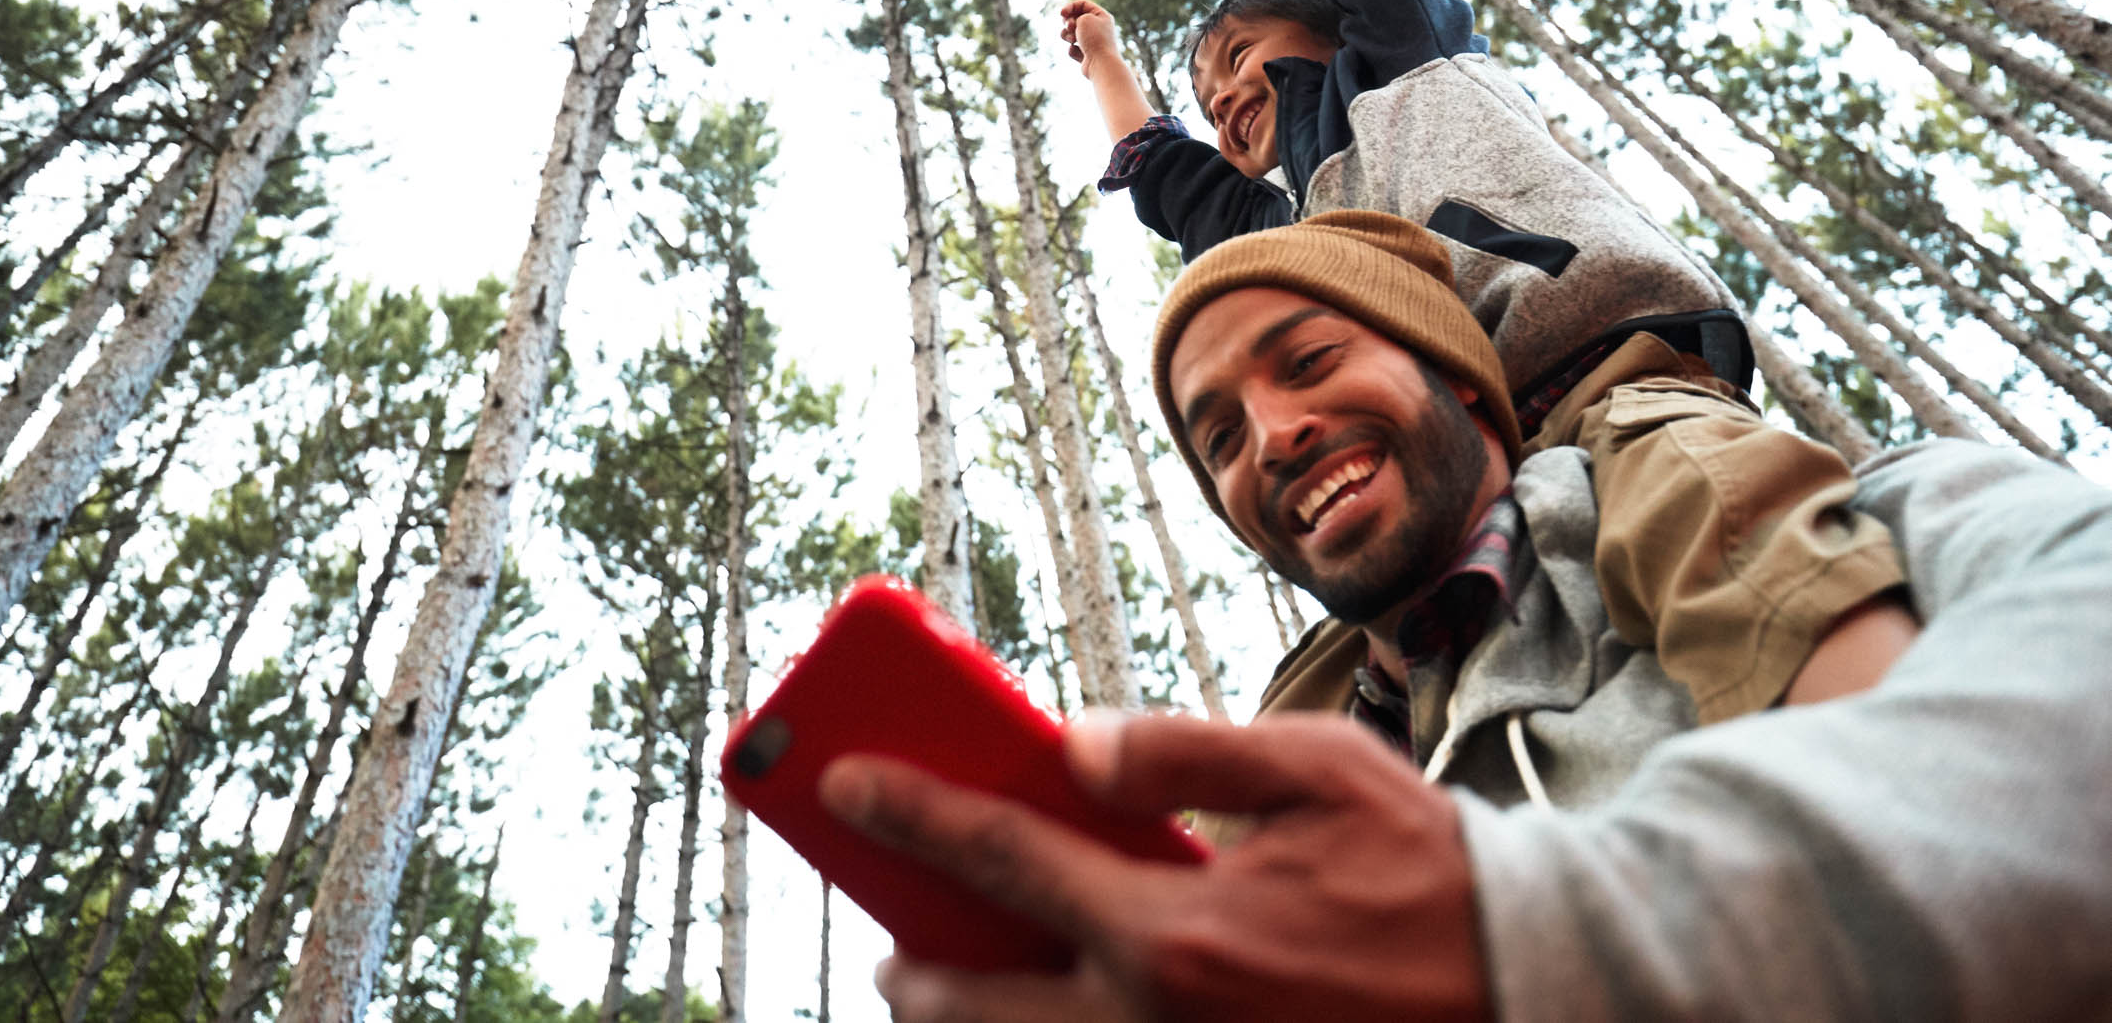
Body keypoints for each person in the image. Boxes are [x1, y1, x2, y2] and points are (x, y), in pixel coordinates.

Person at [820, 215, 2112, 1021]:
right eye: (1217, 435)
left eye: (1311, 360)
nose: (1271, 436)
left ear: (1460, 379)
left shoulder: (1845, 516)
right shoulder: (1271, 823)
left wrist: (1534, 939)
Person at [1063, 0, 1909, 728]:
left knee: (1711, 515)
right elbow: (1174, 187)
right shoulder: (1289, 242)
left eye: (1238, 57)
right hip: (1446, 471)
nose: (1221, 101)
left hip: (1600, 373)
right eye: (1208, 101)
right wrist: (1105, 63)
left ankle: (1892, 731)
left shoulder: (1402, 58)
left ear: (1326, 31)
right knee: (1308, 709)